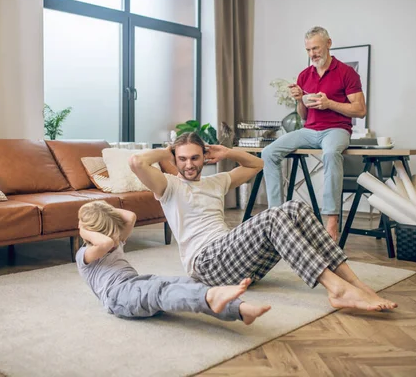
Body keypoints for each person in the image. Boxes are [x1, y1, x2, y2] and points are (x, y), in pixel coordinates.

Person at [129, 133, 397, 312]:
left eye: (195, 157)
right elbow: (136, 162)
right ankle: (337, 289)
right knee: (272, 217)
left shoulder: (216, 181)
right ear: (175, 160)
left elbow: (258, 164)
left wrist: (228, 152)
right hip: (206, 265)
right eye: (183, 158)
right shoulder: (169, 186)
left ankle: (355, 284)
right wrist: (167, 151)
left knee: (294, 207)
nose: (189, 164)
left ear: (205, 157)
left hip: (236, 262)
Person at [75, 200, 271, 325]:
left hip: (136, 281)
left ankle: (239, 309)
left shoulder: (112, 242)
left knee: (184, 283)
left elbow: (130, 217)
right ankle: (210, 296)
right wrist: (82, 229)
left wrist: (101, 208)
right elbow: (106, 242)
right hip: (117, 296)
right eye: (110, 235)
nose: (116, 240)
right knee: (164, 293)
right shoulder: (86, 255)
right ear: (93, 235)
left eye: (116, 233)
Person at [262, 26, 367, 241]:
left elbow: (360, 110)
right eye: (308, 50)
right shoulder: (304, 75)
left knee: (330, 154)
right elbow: (302, 115)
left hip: (337, 130)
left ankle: (331, 221)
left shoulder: (347, 73)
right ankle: (276, 216)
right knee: (268, 153)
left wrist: (329, 103)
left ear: (329, 44)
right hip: (309, 130)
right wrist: (299, 99)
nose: (312, 54)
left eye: (316, 48)